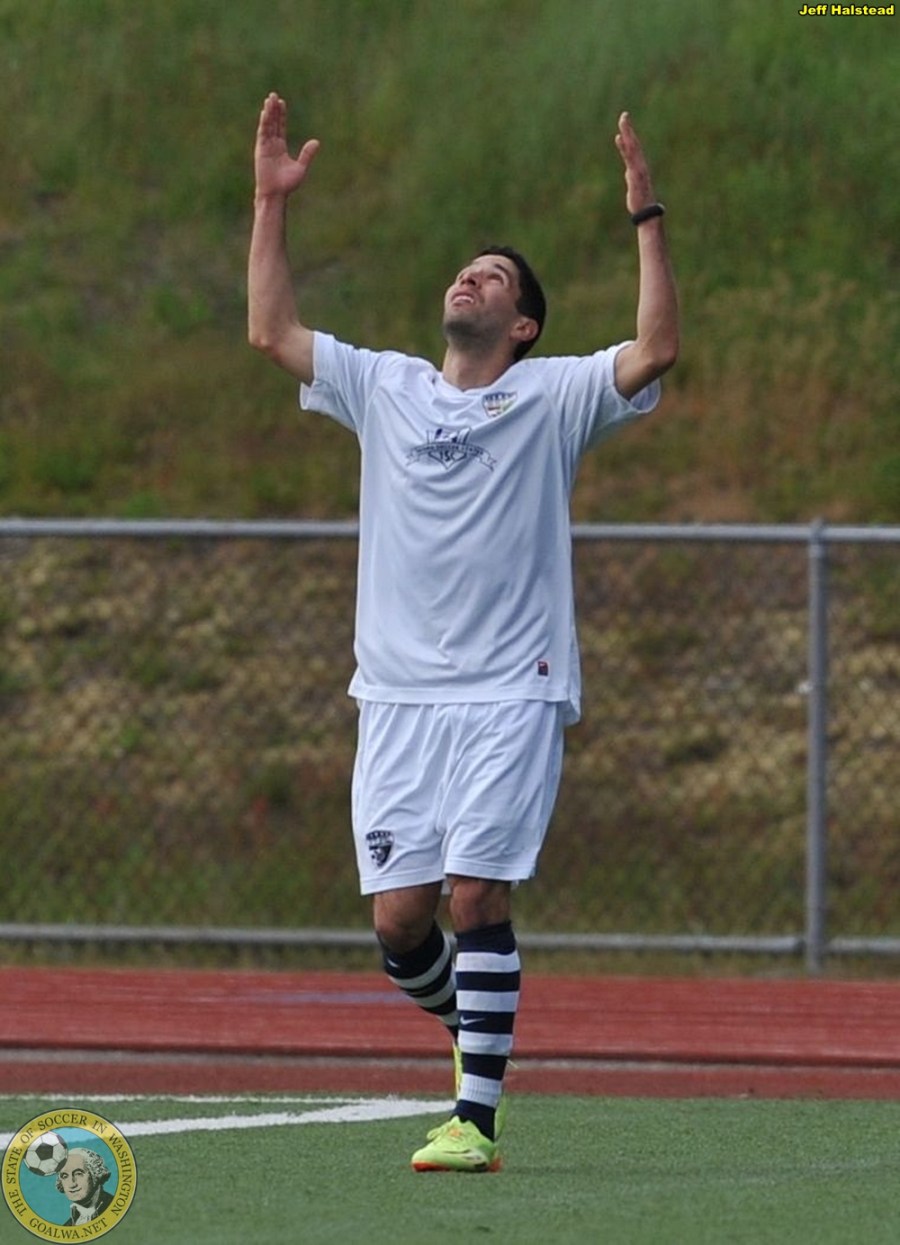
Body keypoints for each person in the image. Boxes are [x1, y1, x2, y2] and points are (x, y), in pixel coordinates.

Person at [248, 92, 678, 1172]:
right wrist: (269, 204)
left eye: (494, 276)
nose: (469, 278)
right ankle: (471, 1033)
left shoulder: (553, 394)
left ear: (524, 323)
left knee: (478, 894)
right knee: (401, 927)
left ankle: (475, 1121)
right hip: (394, 698)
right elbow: (271, 330)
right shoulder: (385, 385)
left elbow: (659, 346)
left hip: (510, 689)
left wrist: (646, 216)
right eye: (464, 269)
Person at [56, 1149, 114, 1225]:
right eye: (65, 1176)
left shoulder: (115, 1208)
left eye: (78, 1174)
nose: (72, 1184)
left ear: (95, 1174)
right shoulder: (67, 1227)